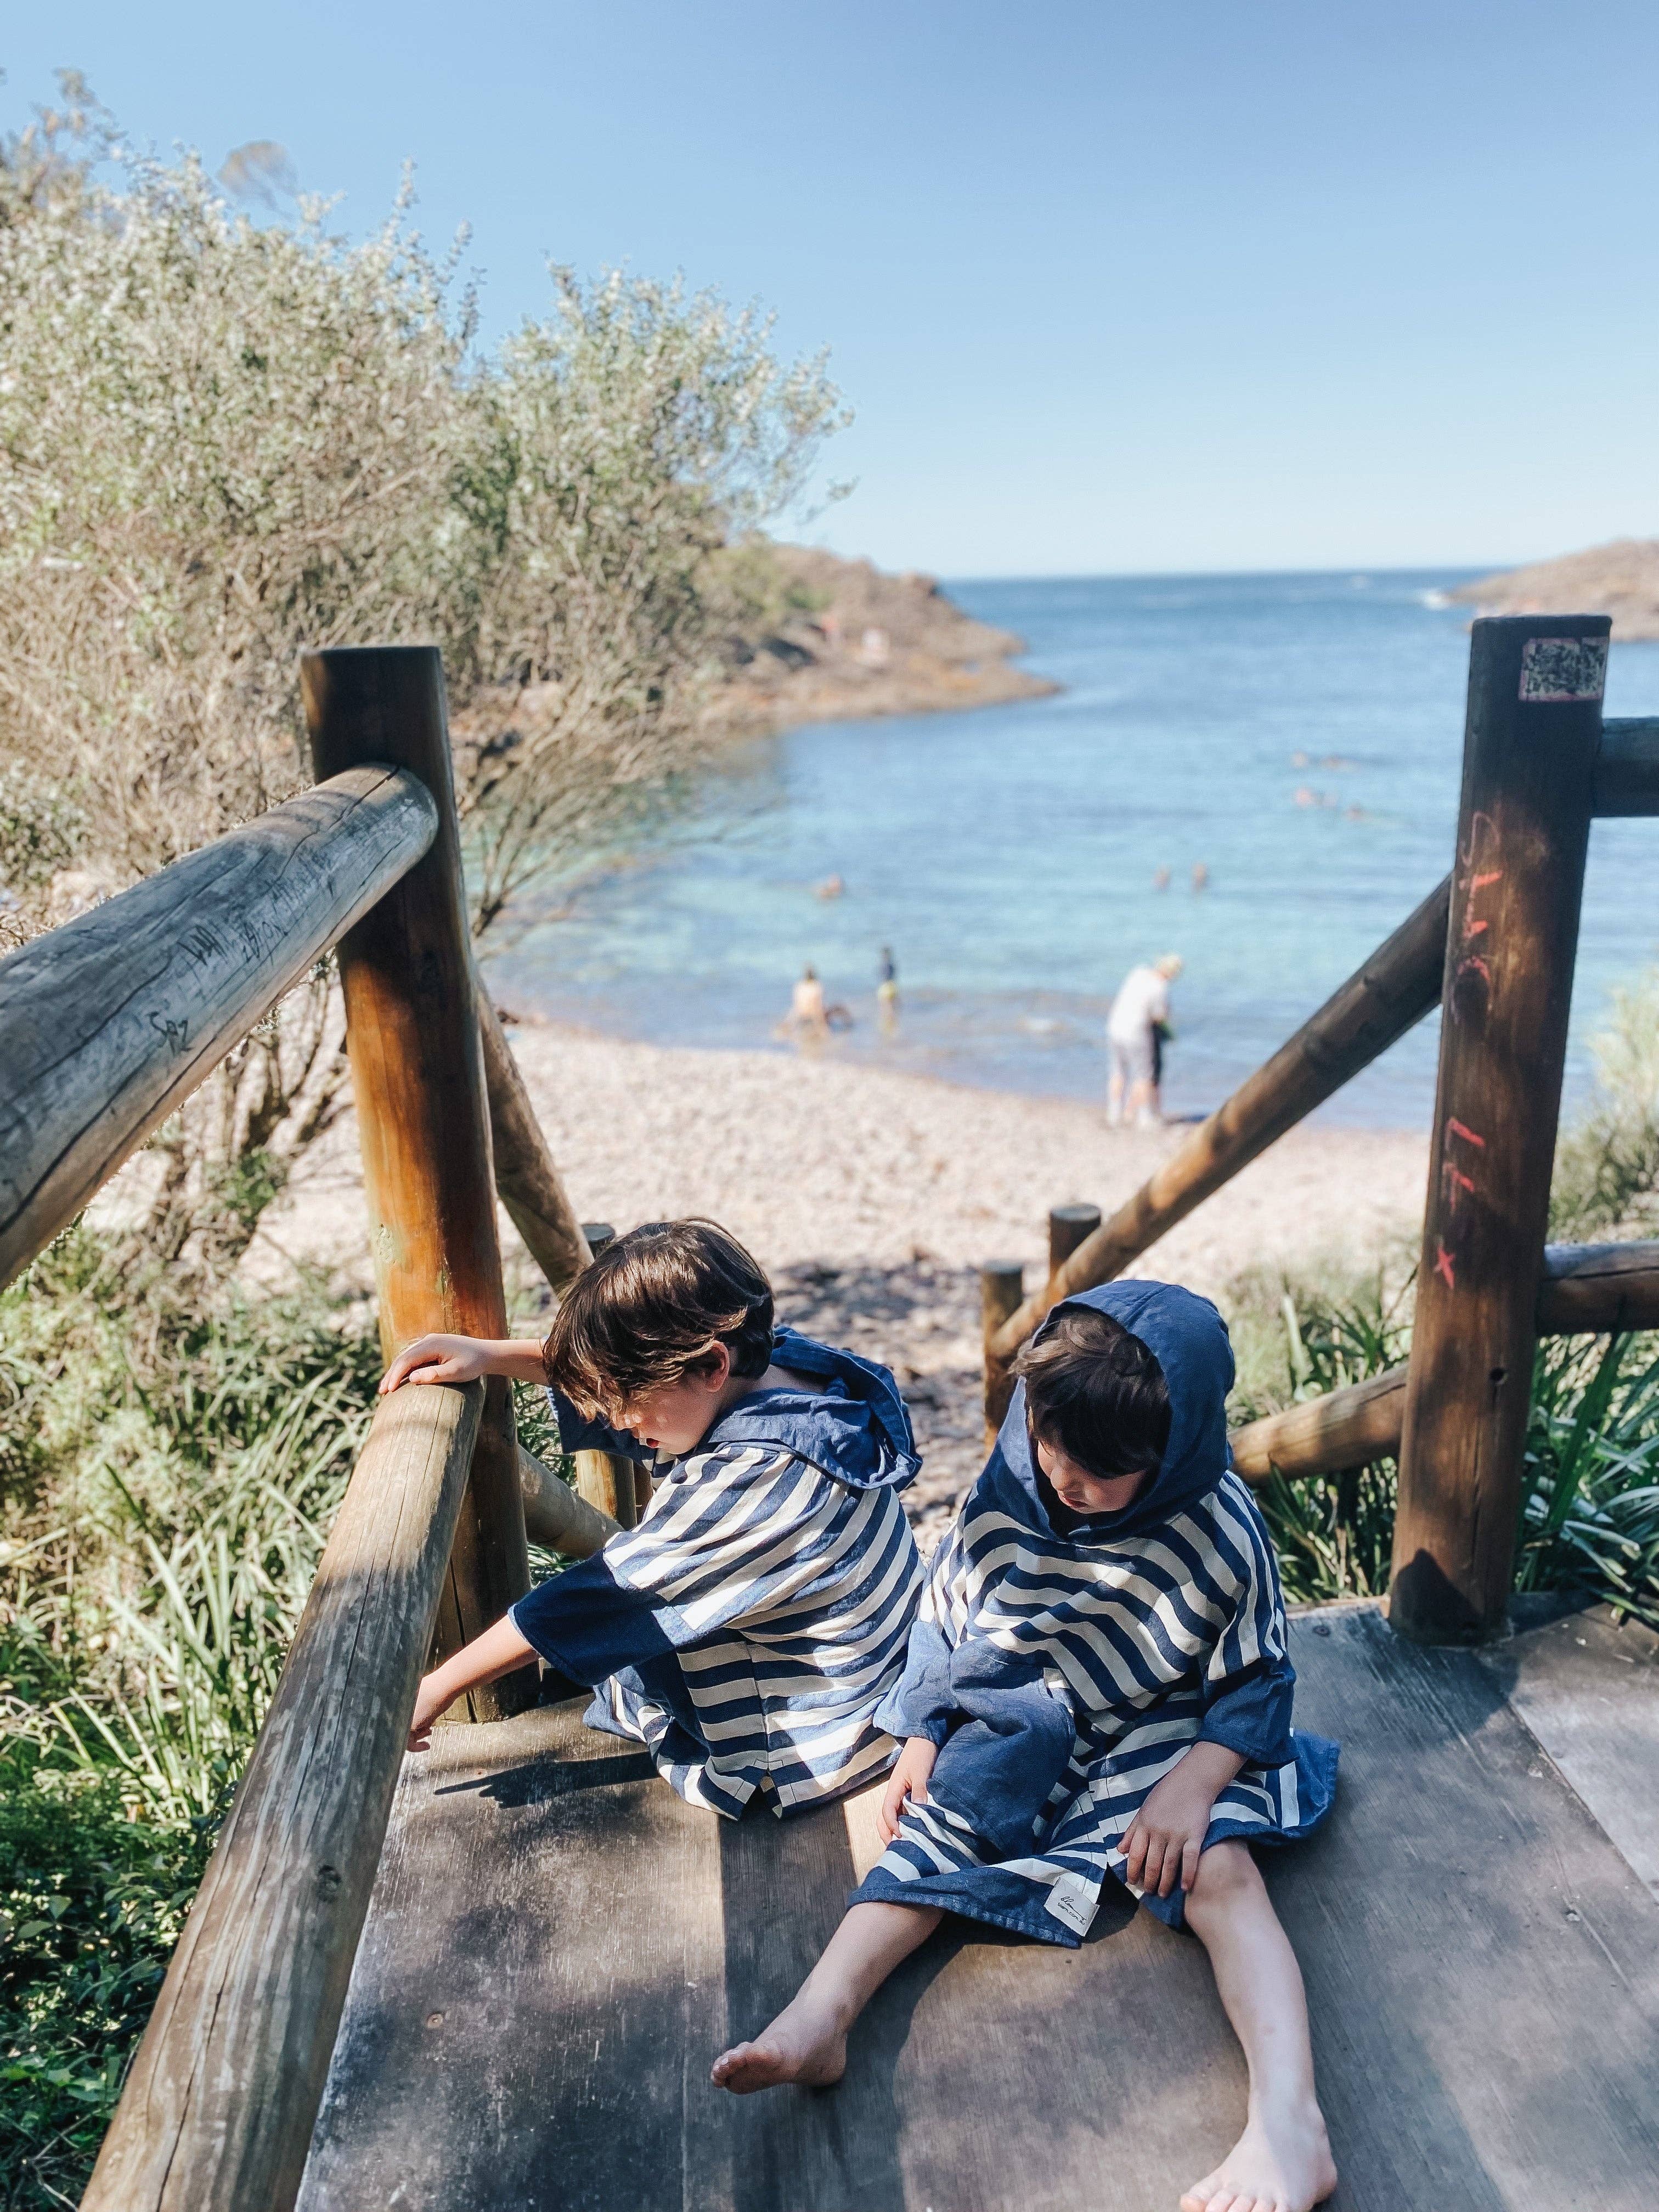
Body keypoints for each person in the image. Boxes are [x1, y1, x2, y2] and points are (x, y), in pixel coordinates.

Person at [713, 1283, 1340, 2212]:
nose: (1064, 1478)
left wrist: (1196, 1782)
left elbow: (1253, 1678)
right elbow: (945, 1610)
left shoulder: (1217, 1527)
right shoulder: (1008, 1487)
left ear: (1168, 1453)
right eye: (1049, 1441)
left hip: (1161, 1723)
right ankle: (822, 2015)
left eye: (1097, 1468)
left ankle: (1289, 2124)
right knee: (930, 1828)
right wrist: (922, 1728)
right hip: (1024, 1706)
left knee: (1219, 1870)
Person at [381, 1220, 924, 1818]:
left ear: (712, 1366)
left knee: (612, 1652)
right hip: (878, 1670)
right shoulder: (794, 1367)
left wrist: (435, 1687)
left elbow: (610, 1594)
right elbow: (649, 1381)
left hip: (811, 1737)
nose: (613, 1418)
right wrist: (491, 1356)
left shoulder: (762, 1485)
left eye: (626, 1398)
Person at [1107, 952, 1182, 1126]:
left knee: (1117, 1071)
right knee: (1144, 1075)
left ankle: (1114, 1113)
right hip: (1135, 1032)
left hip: (1115, 1026)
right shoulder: (1160, 987)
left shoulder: (1138, 972)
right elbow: (1159, 1016)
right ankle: (1144, 1116)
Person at [876, 945, 899, 1033]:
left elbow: (882, 976)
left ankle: (887, 1024)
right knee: (893, 1007)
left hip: (885, 987)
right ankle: (894, 1024)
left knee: (885, 1007)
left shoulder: (883, 965)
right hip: (893, 986)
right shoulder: (892, 965)